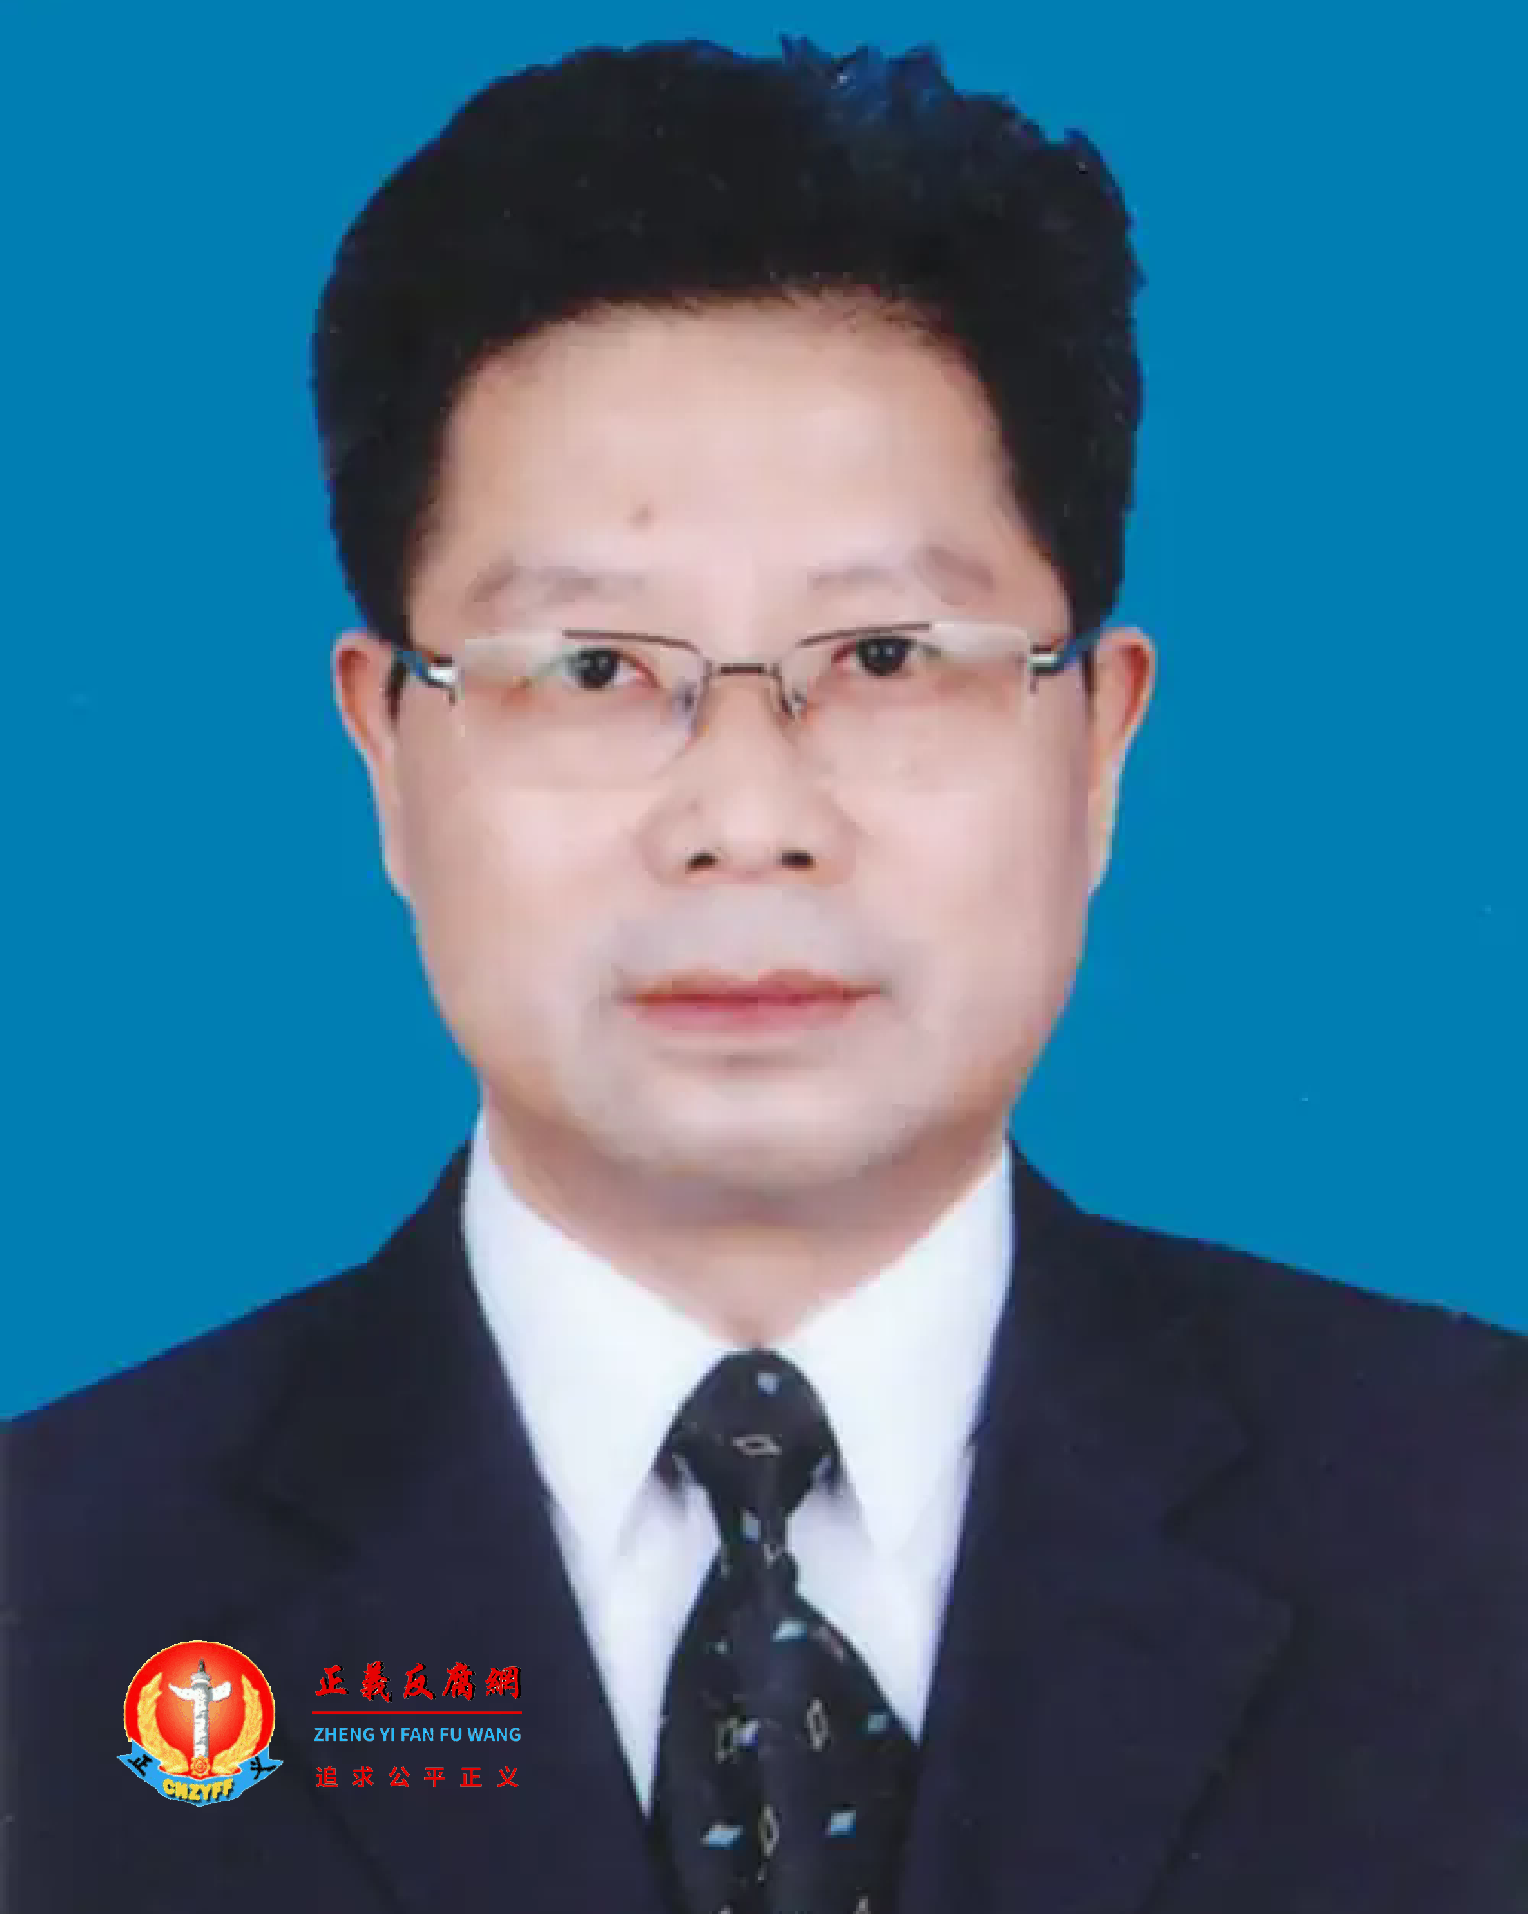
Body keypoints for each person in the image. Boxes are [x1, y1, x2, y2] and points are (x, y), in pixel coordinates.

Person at [8, 37, 1524, 1914]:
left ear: (1100, 746)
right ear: (388, 750)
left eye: (886, 657)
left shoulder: (1483, 1531)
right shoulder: (46, 1596)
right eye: (590, 669)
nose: (746, 819)